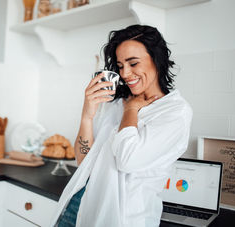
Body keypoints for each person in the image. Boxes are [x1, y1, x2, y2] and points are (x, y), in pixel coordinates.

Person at [50, 24, 193, 227]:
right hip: (76, 208)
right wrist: (87, 116)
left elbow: (128, 160)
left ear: (157, 60)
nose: (125, 73)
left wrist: (131, 110)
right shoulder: (116, 103)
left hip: (120, 219)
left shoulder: (175, 112)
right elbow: (84, 161)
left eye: (133, 63)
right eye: (120, 65)